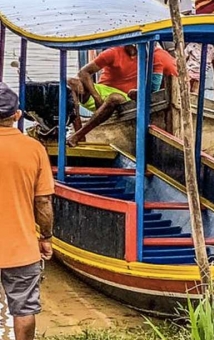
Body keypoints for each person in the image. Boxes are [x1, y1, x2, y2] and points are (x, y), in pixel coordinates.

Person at [0, 82, 54, 340]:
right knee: (24, 309)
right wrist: (46, 238)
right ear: (17, 115)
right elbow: (42, 202)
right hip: (21, 248)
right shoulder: (34, 149)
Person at [67, 45, 163, 146]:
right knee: (70, 82)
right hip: (103, 91)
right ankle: (79, 133)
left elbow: (156, 86)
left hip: (126, 97)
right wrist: (96, 97)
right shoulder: (113, 52)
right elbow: (83, 72)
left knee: (114, 97)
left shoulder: (152, 56)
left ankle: (78, 135)